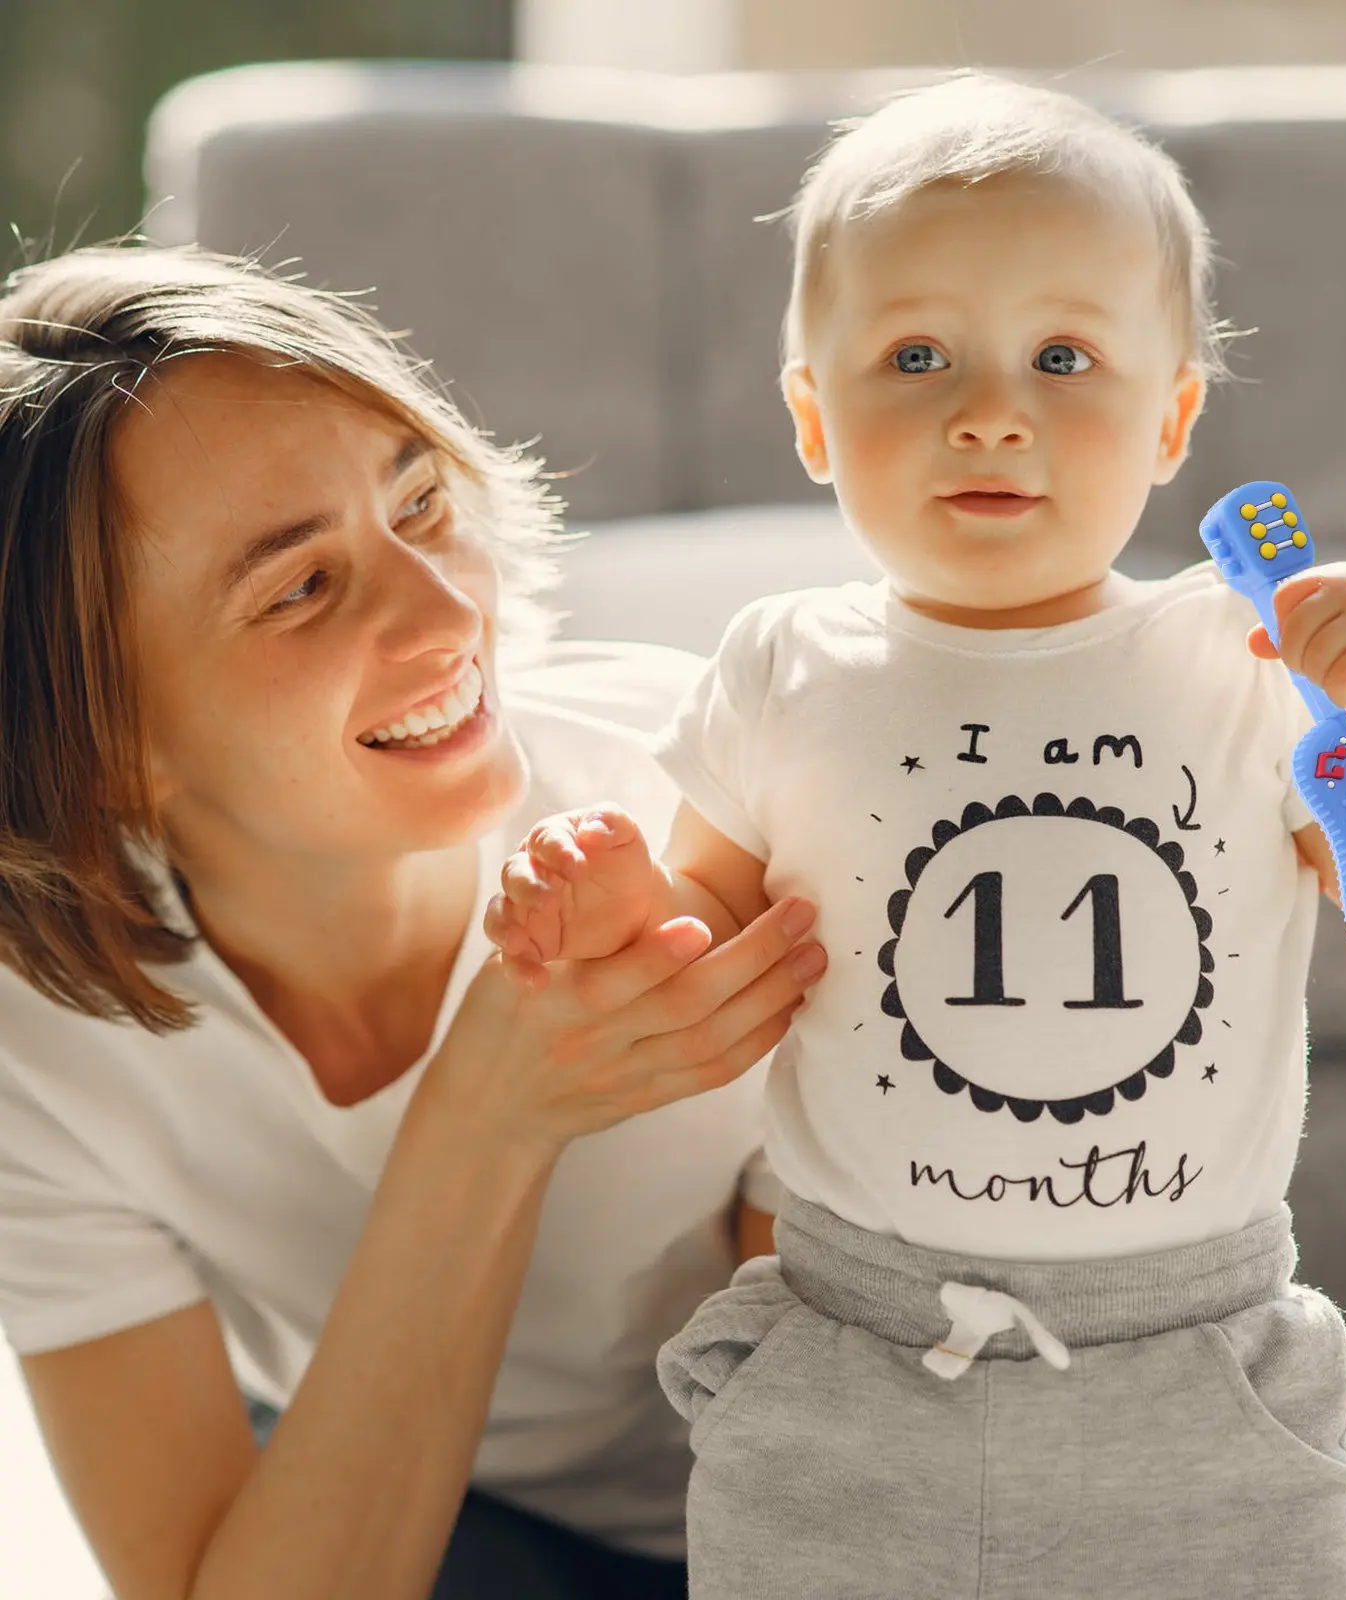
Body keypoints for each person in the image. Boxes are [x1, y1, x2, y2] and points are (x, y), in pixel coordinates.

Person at [487, 74, 1346, 1598]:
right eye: (915, 355)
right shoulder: (781, 662)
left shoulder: (1245, 659)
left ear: (1172, 422)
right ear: (814, 420)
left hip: (1192, 1364)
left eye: (1062, 356)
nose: (989, 409)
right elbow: (711, 939)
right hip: (859, 1356)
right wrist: (625, 915)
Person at [0, 243, 829, 1600]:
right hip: (431, 1500)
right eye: (301, 589)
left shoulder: (725, 802)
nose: (451, 613)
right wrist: (491, 1110)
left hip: (795, 1497)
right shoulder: (38, 1036)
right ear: (100, 750)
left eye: (421, 502)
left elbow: (860, 1443)